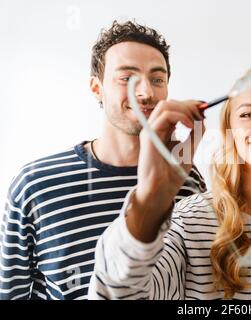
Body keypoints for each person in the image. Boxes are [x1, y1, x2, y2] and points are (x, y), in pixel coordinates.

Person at [88, 72, 251, 300]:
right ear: (229, 130)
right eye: (248, 114)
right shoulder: (189, 221)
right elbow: (121, 293)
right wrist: (149, 201)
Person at [0, 20, 206, 300]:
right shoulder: (35, 185)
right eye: (127, 78)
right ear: (97, 88)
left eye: (158, 79)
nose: (146, 92)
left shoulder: (187, 182)